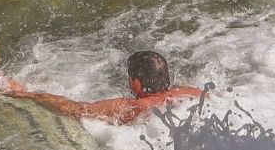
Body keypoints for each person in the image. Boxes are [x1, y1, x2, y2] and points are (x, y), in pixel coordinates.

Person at [15, 51, 202, 125]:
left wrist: (32, 96)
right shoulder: (191, 94)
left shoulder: (134, 107)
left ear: (136, 83)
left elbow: (79, 110)